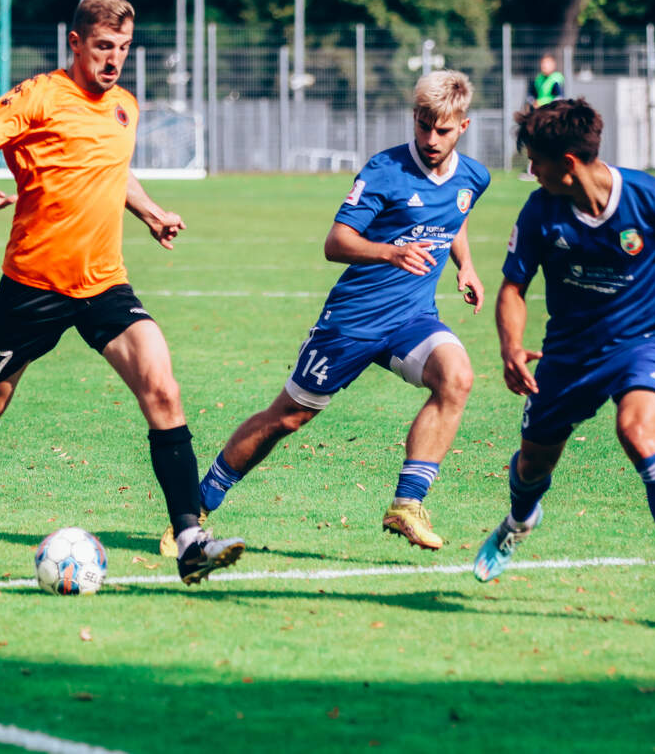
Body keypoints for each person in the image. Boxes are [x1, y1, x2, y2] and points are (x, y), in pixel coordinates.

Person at [0, 0, 244, 586]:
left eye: (123, 48)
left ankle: (189, 540)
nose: (114, 59)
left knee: (163, 389)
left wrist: (151, 213)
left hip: (104, 283)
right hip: (32, 285)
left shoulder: (125, 107)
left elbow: (113, 170)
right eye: (103, 47)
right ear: (75, 43)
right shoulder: (38, 97)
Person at [160, 69, 488, 556]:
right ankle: (196, 506)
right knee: (286, 418)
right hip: (353, 322)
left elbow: (454, 215)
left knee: (457, 378)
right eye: (423, 126)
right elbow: (336, 243)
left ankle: (407, 504)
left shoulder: (474, 177)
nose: (431, 139)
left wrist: (467, 266)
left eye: (442, 130)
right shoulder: (384, 170)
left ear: (463, 126)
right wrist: (390, 252)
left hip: (412, 319)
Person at [474, 98, 655, 625]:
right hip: (568, 355)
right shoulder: (540, 212)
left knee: (639, 431)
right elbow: (512, 288)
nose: (531, 170)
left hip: (644, 342)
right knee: (532, 465)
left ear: (568, 163)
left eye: (536, 161)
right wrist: (510, 347)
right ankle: (519, 521)